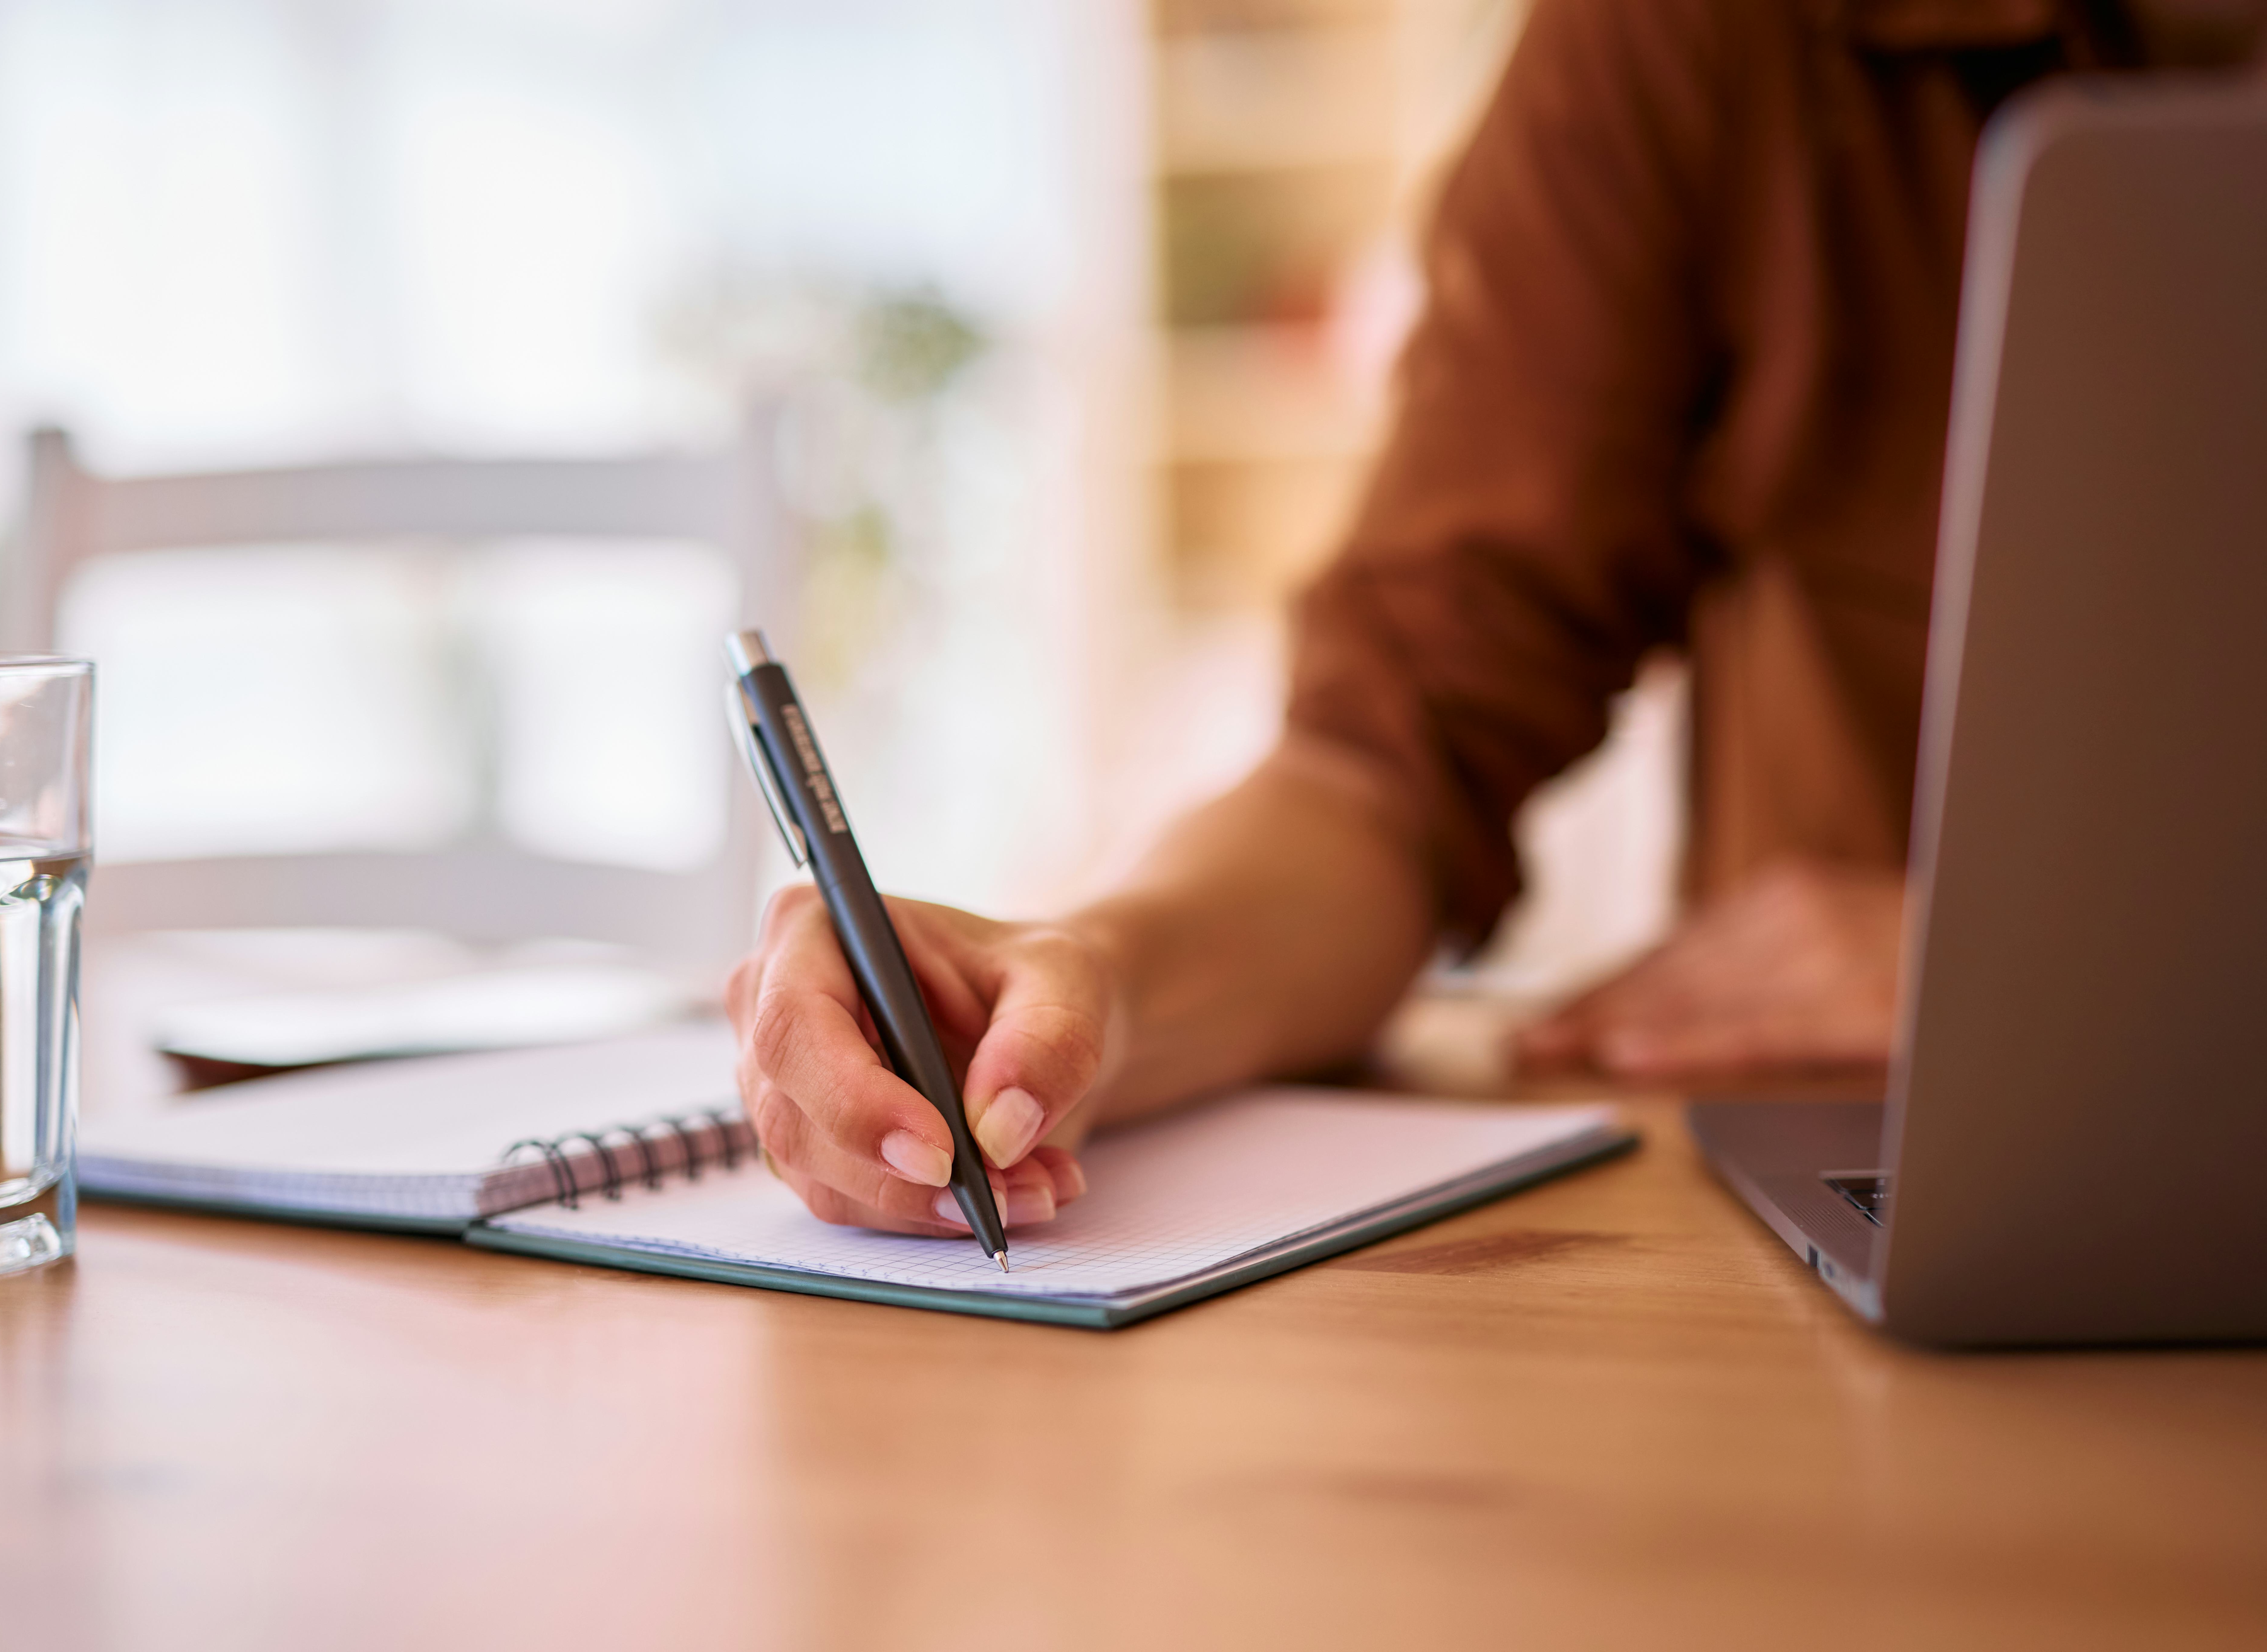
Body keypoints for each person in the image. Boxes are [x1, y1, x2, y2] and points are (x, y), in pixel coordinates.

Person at [725, 0, 2263, 1237]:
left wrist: (2042, 974)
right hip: (1888, 1223)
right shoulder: (1706, 45)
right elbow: (1389, 763)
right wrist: (1091, 983)